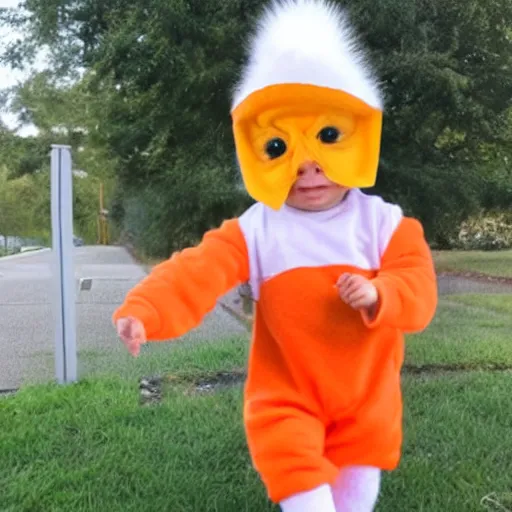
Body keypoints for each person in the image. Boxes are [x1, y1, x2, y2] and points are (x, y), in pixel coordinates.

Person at [113, 0, 438, 510]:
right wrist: (145, 309)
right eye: (280, 147)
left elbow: (418, 288)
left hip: (367, 398)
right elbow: (197, 269)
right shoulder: (258, 228)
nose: (309, 168)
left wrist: (381, 291)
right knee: (303, 491)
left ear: (358, 133)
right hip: (286, 397)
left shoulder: (385, 223)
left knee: (356, 496)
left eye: (328, 138)